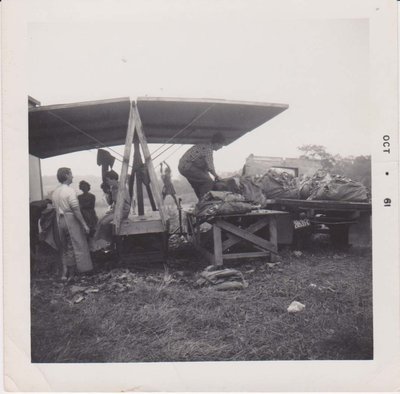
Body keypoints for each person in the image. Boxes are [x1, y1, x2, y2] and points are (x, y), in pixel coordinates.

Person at [51, 167, 93, 280]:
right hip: (70, 219)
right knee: (75, 245)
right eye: (71, 174)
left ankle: (64, 273)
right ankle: (72, 274)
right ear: (66, 176)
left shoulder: (55, 191)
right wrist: (84, 224)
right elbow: (75, 209)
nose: (72, 176)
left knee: (63, 247)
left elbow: (54, 208)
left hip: (58, 220)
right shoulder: (70, 191)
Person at [178, 133, 226, 200]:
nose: (221, 148)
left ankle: (201, 202)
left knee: (197, 185)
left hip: (184, 166)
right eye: (221, 146)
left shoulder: (204, 145)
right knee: (208, 181)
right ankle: (205, 202)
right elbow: (210, 166)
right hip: (188, 166)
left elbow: (205, 168)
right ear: (217, 143)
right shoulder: (208, 149)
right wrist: (217, 176)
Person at [92, 170, 131, 250]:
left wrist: (114, 211)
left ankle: (106, 244)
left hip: (123, 210)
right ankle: (99, 243)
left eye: (108, 180)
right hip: (117, 209)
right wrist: (113, 209)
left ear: (113, 179)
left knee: (104, 222)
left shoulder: (121, 187)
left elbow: (123, 203)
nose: (107, 182)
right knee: (100, 221)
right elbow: (114, 202)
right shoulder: (113, 188)